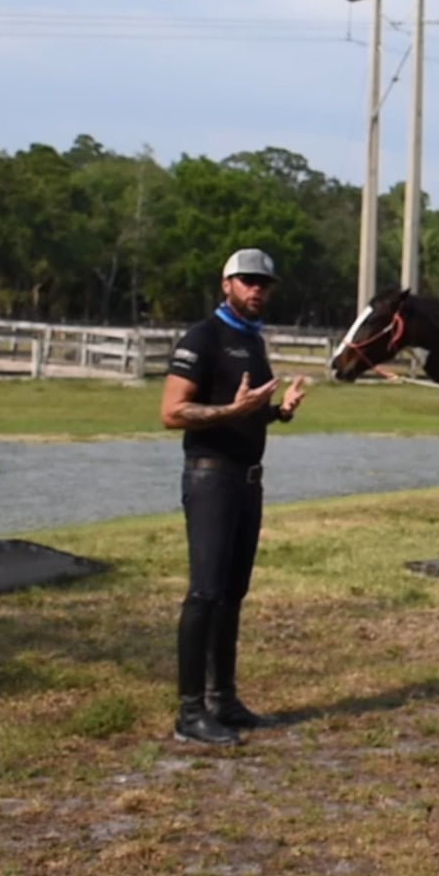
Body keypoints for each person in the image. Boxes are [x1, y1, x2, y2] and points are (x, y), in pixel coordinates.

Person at [160, 248, 308, 746]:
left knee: (232, 595)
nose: (256, 290)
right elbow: (172, 412)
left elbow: (245, 411)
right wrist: (231, 410)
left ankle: (223, 698)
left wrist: (277, 413)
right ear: (226, 285)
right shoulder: (204, 338)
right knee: (204, 592)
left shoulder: (252, 341)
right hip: (211, 478)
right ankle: (189, 712)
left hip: (247, 481)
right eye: (247, 281)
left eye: (264, 283)